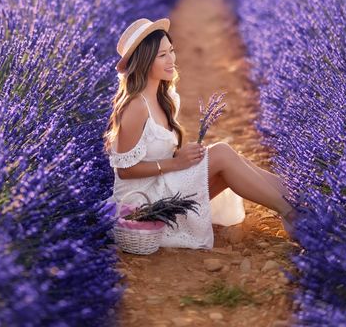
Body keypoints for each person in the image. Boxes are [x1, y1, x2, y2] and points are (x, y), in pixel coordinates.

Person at [102, 17, 297, 249]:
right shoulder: (135, 106)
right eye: (162, 55)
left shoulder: (165, 98)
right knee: (222, 154)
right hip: (144, 205)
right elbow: (124, 171)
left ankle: (298, 197)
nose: (171, 59)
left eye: (171, 51)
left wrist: (181, 155)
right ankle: (293, 214)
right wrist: (176, 164)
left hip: (164, 187)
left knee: (230, 161)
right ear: (144, 61)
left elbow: (157, 151)